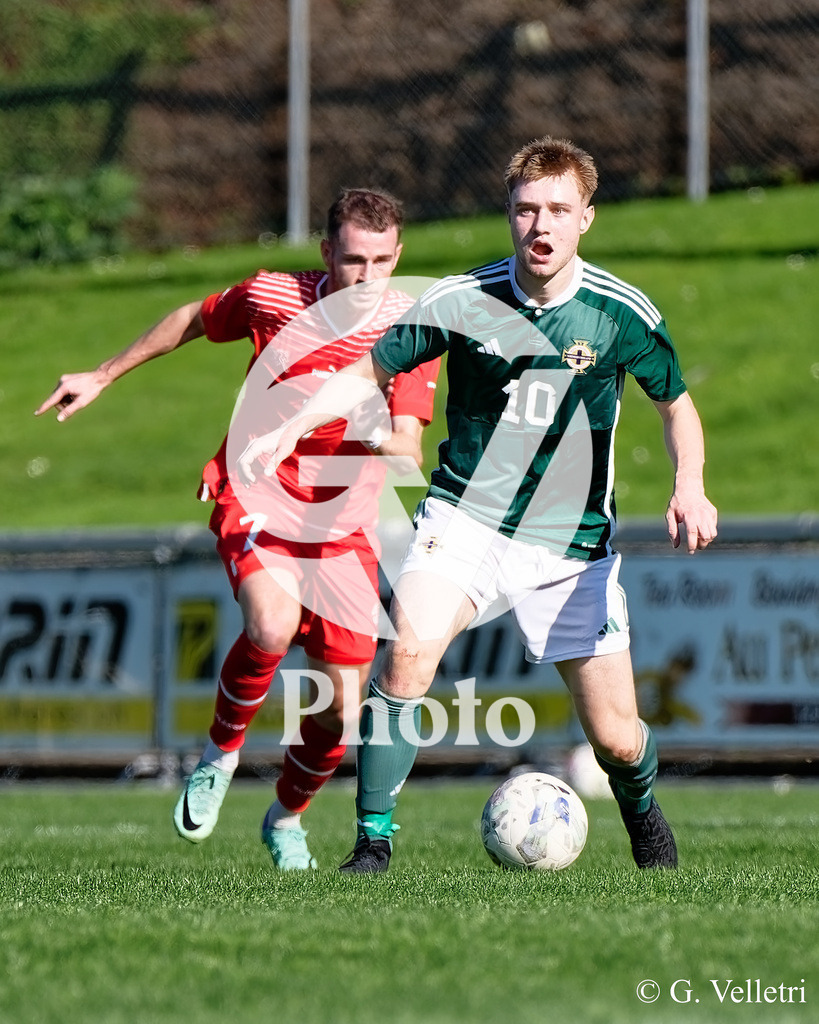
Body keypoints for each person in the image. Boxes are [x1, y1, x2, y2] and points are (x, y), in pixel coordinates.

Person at [238, 137, 718, 874]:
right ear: (508, 214)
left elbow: (675, 406)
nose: (541, 225)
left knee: (617, 737)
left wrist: (688, 484)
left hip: (569, 547)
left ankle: (646, 823)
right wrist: (289, 425)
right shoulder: (462, 301)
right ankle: (372, 844)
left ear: (585, 218)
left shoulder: (619, 313)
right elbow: (368, 369)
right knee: (405, 664)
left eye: (558, 209)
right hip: (465, 521)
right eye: (527, 209)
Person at [36, 187, 440, 871]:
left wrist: (354, 425)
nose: (365, 277)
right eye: (350, 260)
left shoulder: (412, 331)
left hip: (343, 532)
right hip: (258, 498)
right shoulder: (275, 298)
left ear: (397, 257)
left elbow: (407, 448)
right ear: (325, 254)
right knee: (272, 624)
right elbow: (195, 317)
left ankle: (285, 818)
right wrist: (104, 374)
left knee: (338, 717)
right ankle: (219, 755)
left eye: (379, 260)